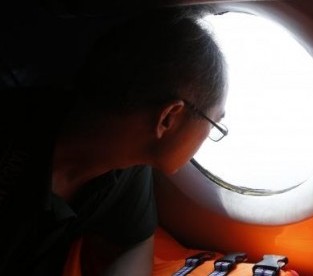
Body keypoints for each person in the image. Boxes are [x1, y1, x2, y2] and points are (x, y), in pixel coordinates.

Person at [0, 6, 227, 276]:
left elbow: (135, 243)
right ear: (169, 117)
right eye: (215, 123)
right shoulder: (13, 132)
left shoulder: (127, 165)